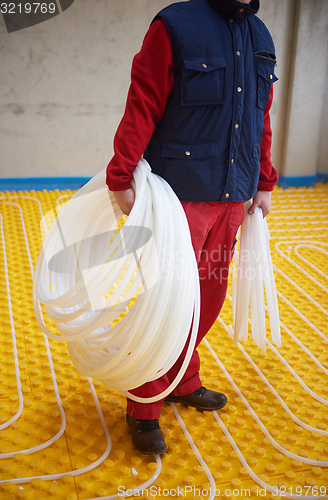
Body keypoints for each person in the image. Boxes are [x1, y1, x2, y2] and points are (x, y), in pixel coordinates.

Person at [106, 0, 279, 455]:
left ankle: (183, 379)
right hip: (179, 193)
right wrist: (120, 176)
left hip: (233, 194)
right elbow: (142, 102)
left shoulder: (260, 36)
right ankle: (143, 404)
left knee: (208, 298)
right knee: (167, 301)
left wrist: (263, 179)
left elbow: (260, 116)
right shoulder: (174, 26)